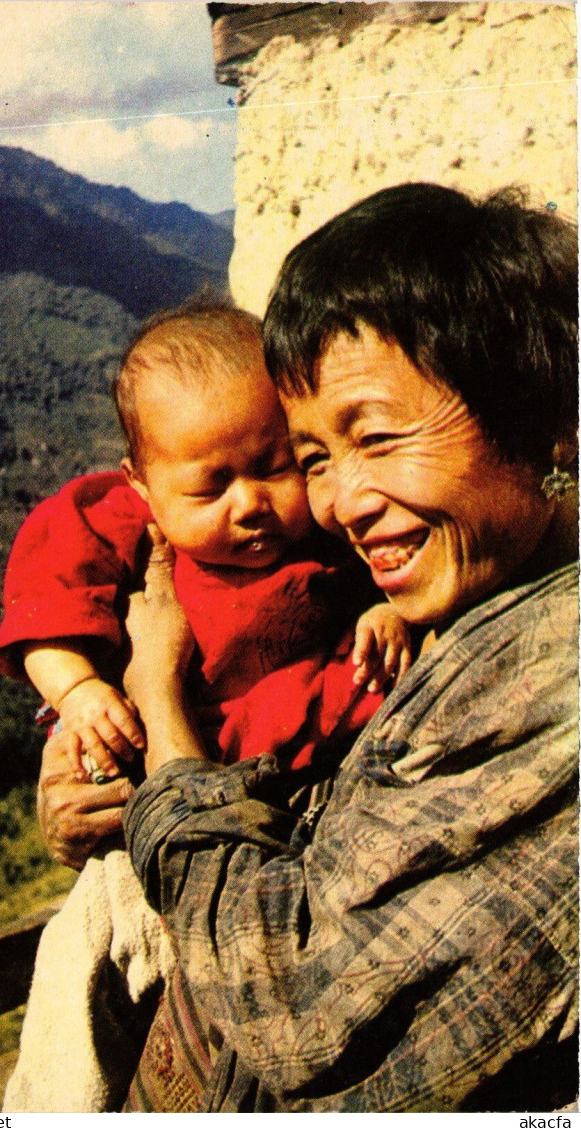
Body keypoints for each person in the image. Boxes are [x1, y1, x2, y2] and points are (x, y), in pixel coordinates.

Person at [52, 182, 576, 1112]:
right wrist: (106, 782)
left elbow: (299, 1012)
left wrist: (166, 717)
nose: (337, 502)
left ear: (544, 423)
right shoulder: (461, 595)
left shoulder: (554, 676)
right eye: (317, 456)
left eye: (375, 437)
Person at [0, 303, 412, 1111]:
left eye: (274, 465)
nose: (250, 502)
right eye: (210, 484)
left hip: (288, 817)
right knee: (80, 976)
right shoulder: (123, 527)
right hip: (152, 832)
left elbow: (388, 585)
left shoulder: (330, 530)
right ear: (141, 482)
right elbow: (43, 602)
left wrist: (385, 614)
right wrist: (78, 691)